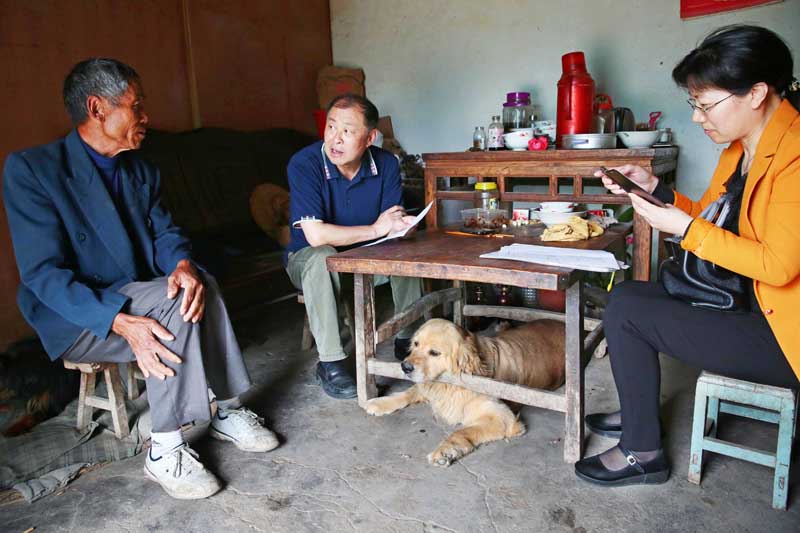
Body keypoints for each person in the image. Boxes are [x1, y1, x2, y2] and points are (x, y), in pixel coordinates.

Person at [2, 58, 279, 500]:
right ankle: (164, 449)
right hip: (79, 315)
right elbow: (42, 274)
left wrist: (182, 264)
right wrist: (117, 320)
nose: (146, 116)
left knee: (198, 281)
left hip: (139, 293)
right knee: (170, 306)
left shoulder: (140, 168)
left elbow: (165, 232)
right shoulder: (34, 170)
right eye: (136, 106)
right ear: (97, 109)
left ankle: (226, 409)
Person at [574, 25, 800, 486]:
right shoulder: (741, 148)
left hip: (783, 331)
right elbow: (712, 216)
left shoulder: (795, 154)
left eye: (705, 104)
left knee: (630, 313)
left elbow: (778, 266)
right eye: (693, 103)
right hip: (746, 300)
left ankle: (642, 452)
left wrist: (686, 229)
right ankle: (639, 415)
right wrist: (657, 191)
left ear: (757, 93)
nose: (697, 118)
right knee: (626, 297)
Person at [285, 94, 422, 399]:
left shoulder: (385, 163)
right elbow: (315, 236)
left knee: (405, 246)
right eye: (331, 126)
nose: (335, 138)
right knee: (322, 256)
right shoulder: (305, 164)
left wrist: (399, 225)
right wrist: (375, 229)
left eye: (347, 130)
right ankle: (331, 362)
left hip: (366, 255)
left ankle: (409, 337)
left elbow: (391, 219)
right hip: (309, 261)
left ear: (370, 137)